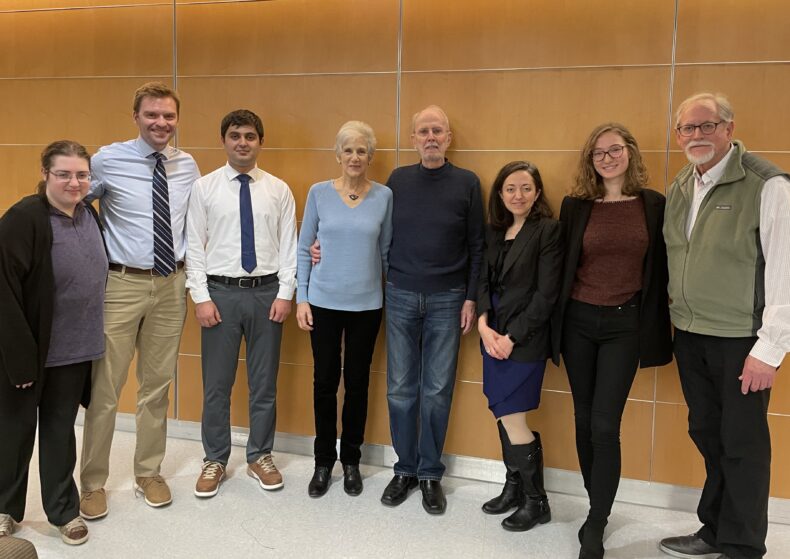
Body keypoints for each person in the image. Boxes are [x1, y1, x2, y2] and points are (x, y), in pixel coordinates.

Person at [659, 93, 790, 559]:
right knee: (708, 435)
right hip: (691, 335)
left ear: (729, 129)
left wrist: (768, 351)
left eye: (707, 125)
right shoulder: (682, 184)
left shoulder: (767, 184)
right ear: (678, 136)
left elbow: (785, 272)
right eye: (687, 128)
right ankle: (715, 529)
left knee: (742, 446)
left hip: (742, 342)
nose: (696, 135)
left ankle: (743, 547)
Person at [79, 82, 201, 518]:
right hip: (121, 285)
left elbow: (200, 221)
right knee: (105, 388)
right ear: (136, 117)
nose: (160, 123)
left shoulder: (187, 165)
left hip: (171, 284)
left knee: (157, 386)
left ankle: (148, 473)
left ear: (177, 119)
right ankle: (92, 482)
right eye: (152, 114)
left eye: (168, 116)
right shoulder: (106, 160)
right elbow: (72, 203)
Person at [553, 123, 672, 559]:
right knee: (584, 420)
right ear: (590, 159)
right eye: (599, 152)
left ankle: (597, 521)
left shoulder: (653, 204)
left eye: (615, 149)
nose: (607, 158)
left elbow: (666, 261)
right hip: (578, 323)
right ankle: (595, 506)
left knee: (605, 425)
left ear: (630, 152)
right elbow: (561, 264)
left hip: (626, 324)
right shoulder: (576, 206)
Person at [0, 140, 108, 545]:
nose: (74, 182)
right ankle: (5, 509)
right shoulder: (24, 218)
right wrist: (19, 359)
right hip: (29, 352)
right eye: (63, 174)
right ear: (45, 174)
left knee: (60, 432)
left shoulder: (88, 213)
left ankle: (63, 511)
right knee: (14, 433)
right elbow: (4, 291)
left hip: (74, 350)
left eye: (82, 174)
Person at [187, 109, 297, 498]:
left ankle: (259, 456)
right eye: (235, 136)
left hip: (267, 294)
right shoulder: (204, 188)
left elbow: (289, 245)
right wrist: (201, 297)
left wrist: (285, 293)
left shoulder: (279, 190)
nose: (242, 143)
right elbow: (194, 246)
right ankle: (215, 458)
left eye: (250, 136)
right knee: (217, 385)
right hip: (220, 294)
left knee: (263, 384)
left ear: (260, 142)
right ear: (224, 141)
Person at [295, 121, 392, 498]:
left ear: (371, 157)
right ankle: (323, 461)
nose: (355, 157)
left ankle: (351, 460)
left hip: (367, 306)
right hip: (323, 303)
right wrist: (302, 297)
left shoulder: (384, 196)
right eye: (348, 150)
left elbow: (386, 252)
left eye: (361, 150)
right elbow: (305, 247)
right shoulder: (318, 193)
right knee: (324, 383)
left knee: (357, 384)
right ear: (338, 155)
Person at [477, 161, 562, 532]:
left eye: (526, 188)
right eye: (510, 188)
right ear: (500, 193)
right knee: (501, 412)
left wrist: (511, 338)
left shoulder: (548, 231)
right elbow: (482, 281)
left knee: (513, 416)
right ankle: (513, 487)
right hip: (492, 335)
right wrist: (483, 326)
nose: (518, 195)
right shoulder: (495, 231)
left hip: (524, 339)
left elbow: (546, 295)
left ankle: (536, 501)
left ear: (537, 192)